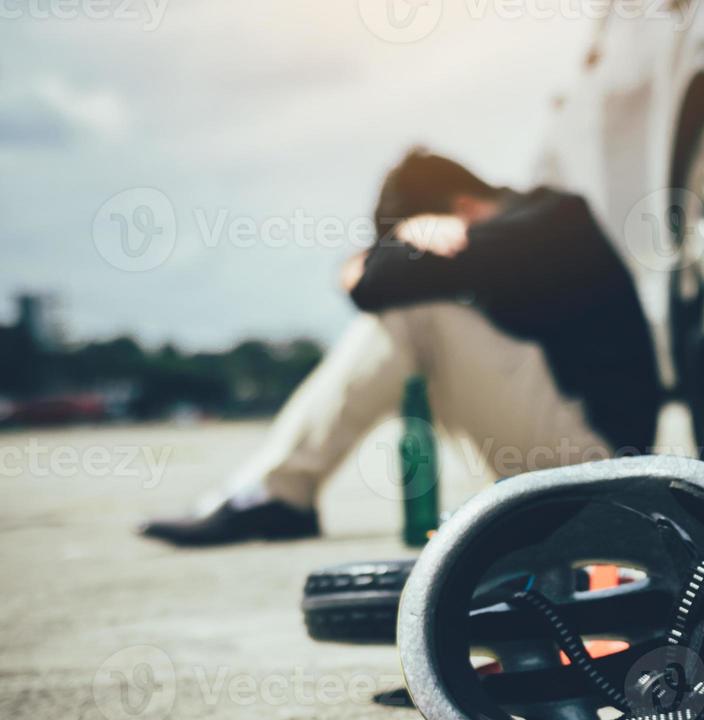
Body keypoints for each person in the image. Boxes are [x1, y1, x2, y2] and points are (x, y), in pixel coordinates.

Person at [140, 148, 659, 546]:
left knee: (418, 317)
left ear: (461, 208)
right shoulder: (511, 237)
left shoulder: (554, 220)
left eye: (414, 238)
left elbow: (376, 284)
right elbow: (379, 279)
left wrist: (384, 254)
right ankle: (271, 491)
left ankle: (279, 494)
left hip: (596, 464)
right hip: (560, 449)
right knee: (413, 314)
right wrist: (392, 250)